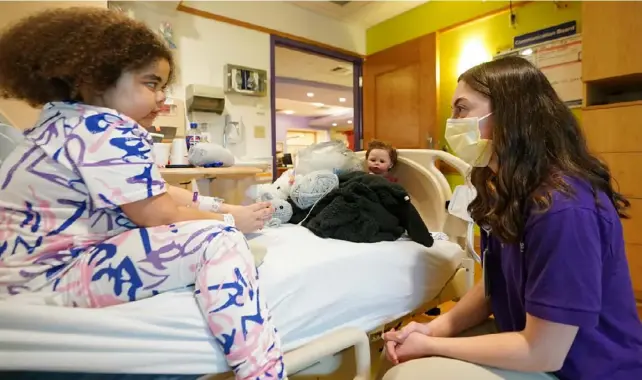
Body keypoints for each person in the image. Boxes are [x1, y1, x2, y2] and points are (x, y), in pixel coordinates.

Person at [0, 8, 285, 380]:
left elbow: (152, 192)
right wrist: (229, 222)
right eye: (152, 84)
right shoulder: (106, 127)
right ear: (94, 78)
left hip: (22, 272)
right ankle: (263, 372)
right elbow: (160, 214)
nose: (163, 99)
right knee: (218, 241)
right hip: (51, 277)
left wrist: (222, 205)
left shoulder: (63, 121)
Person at [382, 56, 642, 380]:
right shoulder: (505, 191)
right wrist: (433, 329)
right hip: (529, 339)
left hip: (582, 368)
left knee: (407, 376)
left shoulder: (563, 209)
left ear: (510, 114)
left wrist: (433, 346)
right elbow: (495, 281)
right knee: (403, 358)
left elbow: (543, 351)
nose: (452, 122)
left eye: (461, 109)